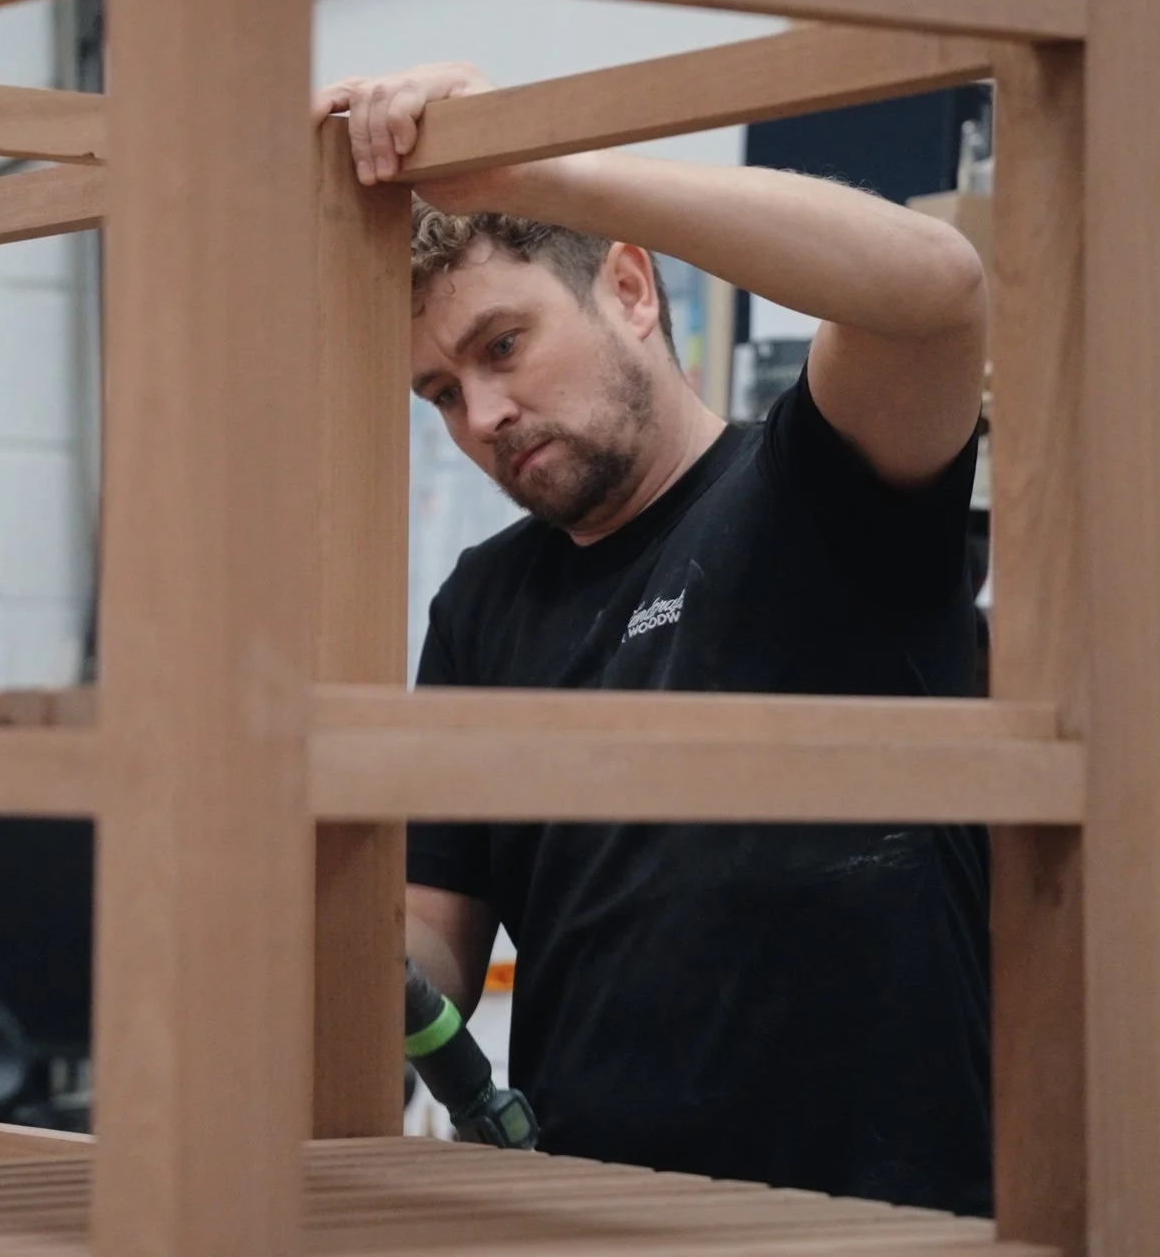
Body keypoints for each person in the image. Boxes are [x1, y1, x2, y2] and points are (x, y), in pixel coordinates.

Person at [313, 62, 993, 1215]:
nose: (479, 418)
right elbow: (431, 937)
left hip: (880, 1216)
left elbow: (937, 284)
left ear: (629, 287)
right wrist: (317, 934)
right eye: (437, 391)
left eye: (501, 346)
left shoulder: (820, 486)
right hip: (593, 1215)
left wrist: (539, 166)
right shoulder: (480, 605)